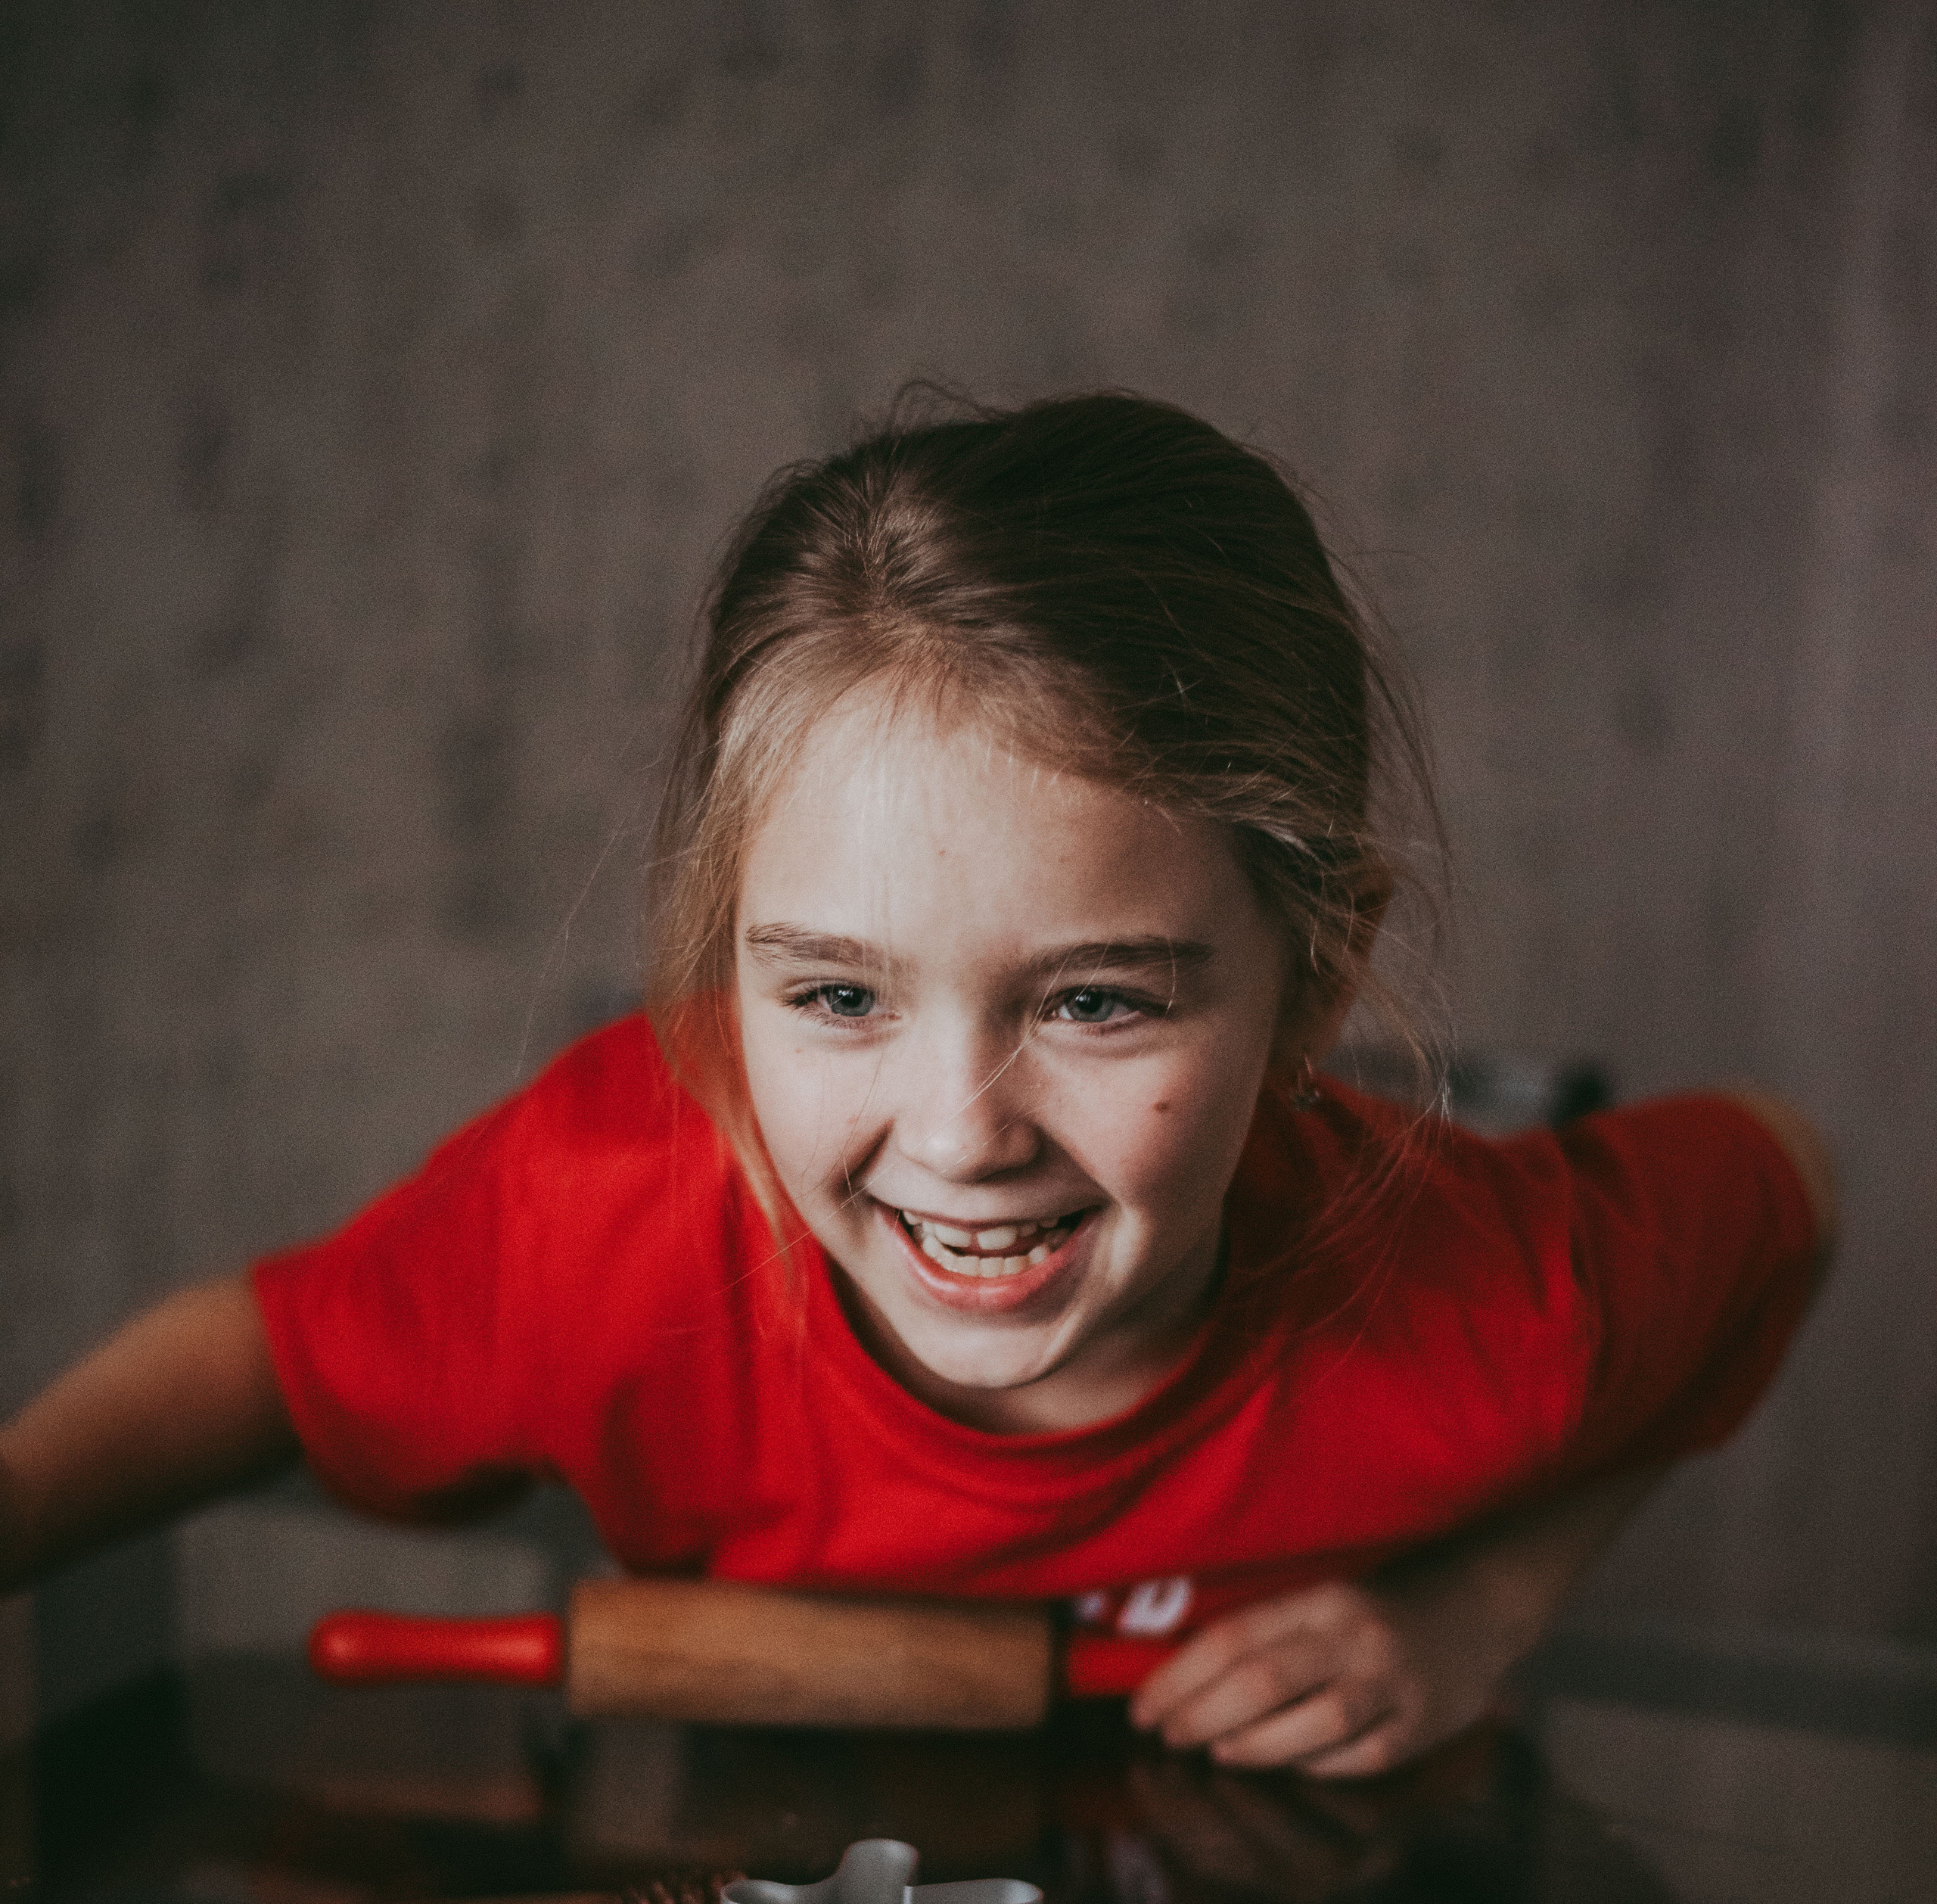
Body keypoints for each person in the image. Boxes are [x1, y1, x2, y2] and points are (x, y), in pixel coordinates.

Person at [0, 394, 1833, 1777]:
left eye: (1099, 1001)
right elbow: (276, 1356)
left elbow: (1782, 1185)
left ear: (1317, 973)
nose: (958, 1134)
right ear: (730, 964)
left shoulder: (1487, 1305)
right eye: (834, 995)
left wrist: (1472, 1618)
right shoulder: (605, 1204)